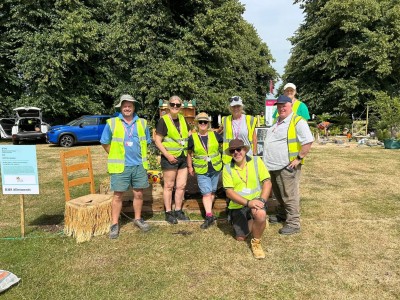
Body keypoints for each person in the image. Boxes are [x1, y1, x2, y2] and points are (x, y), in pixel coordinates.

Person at [101, 94, 152, 239]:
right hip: (120, 167)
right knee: (118, 195)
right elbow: (105, 142)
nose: (127, 108)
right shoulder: (112, 123)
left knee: (139, 193)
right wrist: (113, 154)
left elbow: (146, 142)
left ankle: (137, 219)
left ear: (134, 107)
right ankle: (114, 224)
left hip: (138, 165)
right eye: (125, 106)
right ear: (120, 108)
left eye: (130, 106)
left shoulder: (142, 123)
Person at [263, 95, 314, 235]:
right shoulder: (278, 121)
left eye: (284, 105)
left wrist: (298, 158)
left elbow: (308, 141)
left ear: (291, 104)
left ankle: (293, 223)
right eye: (279, 106)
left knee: (289, 195)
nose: (281, 108)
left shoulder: (297, 121)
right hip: (273, 165)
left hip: (286, 166)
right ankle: (283, 215)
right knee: (279, 194)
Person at [222, 139, 272, 259]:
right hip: (238, 205)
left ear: (244, 150)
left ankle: (256, 243)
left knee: (260, 213)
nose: (236, 152)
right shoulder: (227, 168)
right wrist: (248, 203)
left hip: (256, 201)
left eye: (239, 149)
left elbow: (267, 182)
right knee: (240, 238)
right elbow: (229, 192)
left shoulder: (256, 161)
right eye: (232, 151)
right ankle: (258, 222)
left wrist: (262, 201)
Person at [154, 95, 191, 224]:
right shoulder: (163, 120)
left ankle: (178, 210)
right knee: (169, 186)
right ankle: (168, 212)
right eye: (173, 104)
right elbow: (157, 140)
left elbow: (189, 135)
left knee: (181, 186)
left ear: (181, 107)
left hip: (183, 156)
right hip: (169, 158)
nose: (175, 107)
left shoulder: (182, 119)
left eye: (178, 105)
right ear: (169, 106)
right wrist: (168, 155)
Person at [187, 112, 223, 229]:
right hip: (202, 169)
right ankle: (208, 216)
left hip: (215, 168)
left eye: (205, 122)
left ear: (208, 124)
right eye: (200, 122)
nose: (203, 124)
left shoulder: (215, 135)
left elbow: (225, 146)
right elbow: (189, 153)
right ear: (197, 123)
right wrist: (190, 166)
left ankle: (210, 214)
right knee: (206, 193)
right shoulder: (192, 138)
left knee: (212, 191)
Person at [218, 96, 257, 164]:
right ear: (230, 108)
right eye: (234, 106)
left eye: (238, 106)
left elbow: (254, 139)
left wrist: (255, 154)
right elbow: (217, 133)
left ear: (242, 107)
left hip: (247, 156)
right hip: (231, 155)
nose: (236, 108)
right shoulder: (225, 120)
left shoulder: (249, 119)